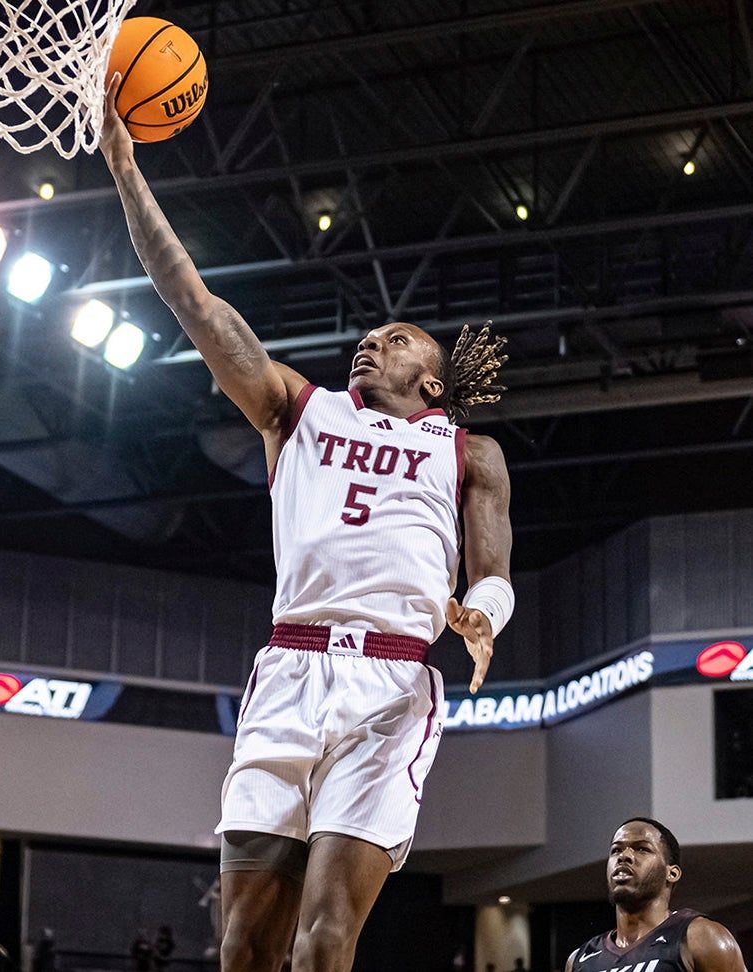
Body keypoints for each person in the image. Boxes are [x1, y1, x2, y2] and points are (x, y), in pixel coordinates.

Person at [101, 75, 514, 972]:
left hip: (391, 684)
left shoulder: (468, 453)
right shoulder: (298, 409)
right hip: (290, 670)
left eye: (397, 337)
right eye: (368, 335)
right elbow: (196, 304)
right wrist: (126, 169)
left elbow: (493, 573)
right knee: (244, 945)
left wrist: (484, 614)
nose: (372, 339)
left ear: (433, 381)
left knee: (326, 939)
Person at [565, 818, 748, 972]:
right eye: (616, 850)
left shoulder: (701, 938)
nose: (624, 856)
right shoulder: (580, 960)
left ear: (672, 873)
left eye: (642, 849)